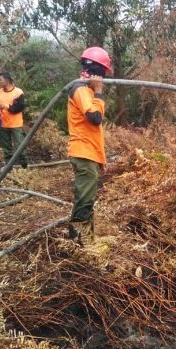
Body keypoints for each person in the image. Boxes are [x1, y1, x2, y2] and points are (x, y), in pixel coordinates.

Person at [67, 47, 111, 245]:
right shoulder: (81, 89)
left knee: (88, 198)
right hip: (83, 153)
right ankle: (79, 243)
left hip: (89, 154)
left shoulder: (87, 91)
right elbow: (95, 118)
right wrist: (100, 93)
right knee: (84, 200)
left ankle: (89, 241)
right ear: (97, 71)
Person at [0, 72, 27, 168]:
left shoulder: (18, 92)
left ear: (7, 80)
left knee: (19, 146)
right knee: (6, 148)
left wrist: (6, 106)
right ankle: (8, 167)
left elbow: (19, 108)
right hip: (3, 124)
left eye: (0, 79)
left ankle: (24, 166)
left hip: (16, 125)